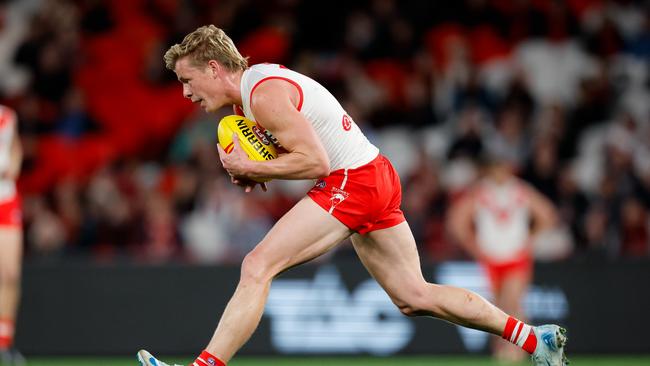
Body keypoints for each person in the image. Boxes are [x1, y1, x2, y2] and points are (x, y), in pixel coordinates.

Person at [137, 25, 567, 366]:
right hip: (373, 173)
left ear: (213, 68)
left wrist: (253, 167)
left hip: (352, 180)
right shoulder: (252, 96)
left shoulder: (261, 94)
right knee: (414, 296)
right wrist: (258, 172)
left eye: (187, 79)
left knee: (257, 265)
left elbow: (317, 163)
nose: (186, 92)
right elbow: (304, 153)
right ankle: (534, 338)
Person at [448, 155, 558, 362]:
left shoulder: (520, 191)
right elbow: (457, 220)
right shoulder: (481, 192)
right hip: (491, 259)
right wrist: (473, 246)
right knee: (498, 307)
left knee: (512, 302)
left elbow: (547, 214)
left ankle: (516, 350)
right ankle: (517, 347)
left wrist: (529, 240)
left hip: (515, 257)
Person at [0, 105, 25, 366]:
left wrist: (14, 165)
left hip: (5, 199)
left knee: (9, 273)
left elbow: (15, 148)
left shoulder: (7, 116)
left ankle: (4, 342)